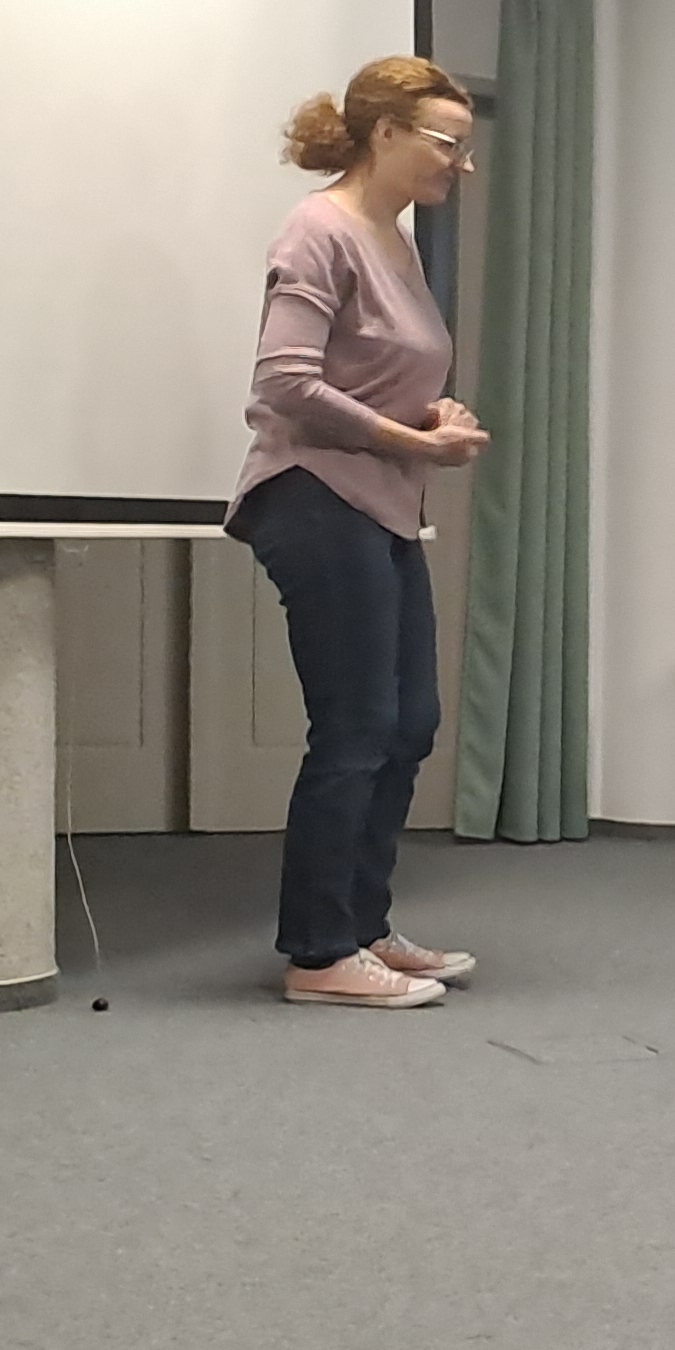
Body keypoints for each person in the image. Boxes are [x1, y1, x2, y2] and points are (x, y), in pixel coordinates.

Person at [232, 57, 488, 1008]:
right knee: (356, 725)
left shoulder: (398, 241)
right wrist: (412, 440)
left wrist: (432, 418)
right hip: (314, 495)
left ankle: (363, 927)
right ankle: (318, 953)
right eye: (447, 143)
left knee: (409, 722)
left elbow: (379, 376)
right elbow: (285, 382)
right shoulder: (320, 231)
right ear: (384, 134)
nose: (461, 164)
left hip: (381, 499)